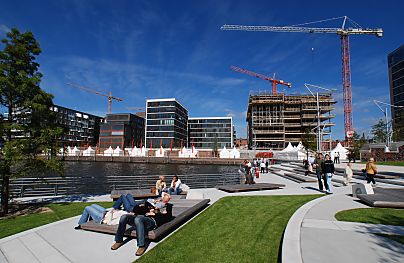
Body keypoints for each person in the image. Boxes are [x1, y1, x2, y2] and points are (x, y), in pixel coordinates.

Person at [74, 194, 142, 229]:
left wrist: (112, 213)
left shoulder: (123, 218)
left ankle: (81, 224)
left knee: (87, 208)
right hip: (105, 212)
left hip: (102, 218)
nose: (131, 212)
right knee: (93, 205)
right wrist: (117, 210)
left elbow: (110, 222)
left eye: (132, 213)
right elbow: (120, 212)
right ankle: (91, 217)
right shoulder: (126, 213)